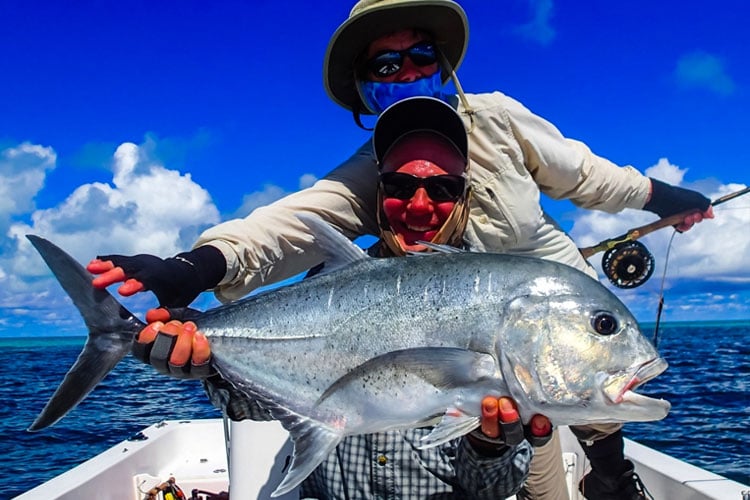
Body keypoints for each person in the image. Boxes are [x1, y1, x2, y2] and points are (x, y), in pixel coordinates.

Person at [87, 1, 714, 498]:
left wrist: (667, 198)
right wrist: (193, 268)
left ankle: (609, 474)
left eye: (421, 56)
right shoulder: (370, 168)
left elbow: (590, 176)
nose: (420, 203)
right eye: (386, 66)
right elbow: (289, 226)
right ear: (364, 88)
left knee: (556, 440)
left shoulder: (499, 120)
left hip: (543, 314)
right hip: (442, 316)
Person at [135, 97, 546, 499]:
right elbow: (253, 407)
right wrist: (207, 364)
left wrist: (490, 447)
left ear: (464, 196)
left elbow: (492, 489)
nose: (419, 206)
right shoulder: (328, 280)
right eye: (400, 186)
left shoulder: (502, 300)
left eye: (441, 188)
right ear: (379, 193)